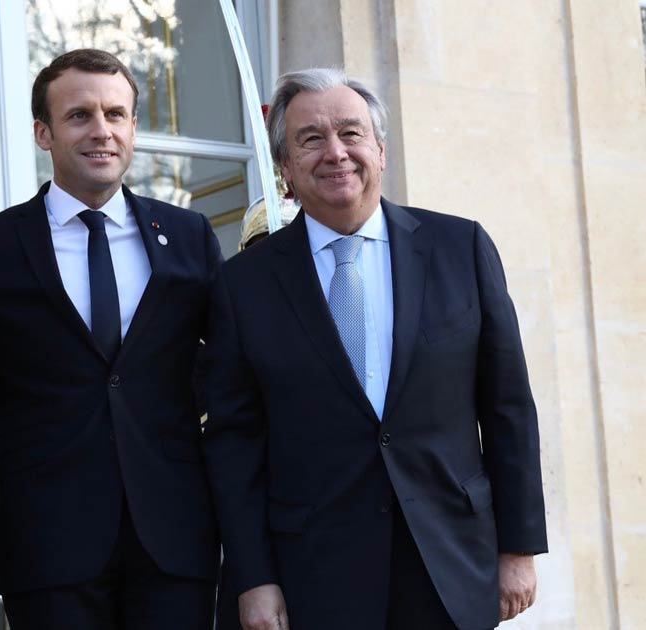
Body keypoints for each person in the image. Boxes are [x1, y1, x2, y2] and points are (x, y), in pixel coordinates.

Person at [203, 68, 547, 630]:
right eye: (310, 139)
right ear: (285, 168)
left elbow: (508, 407)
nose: (335, 152)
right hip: (313, 574)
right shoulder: (243, 285)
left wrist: (520, 547)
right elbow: (235, 445)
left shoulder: (461, 248)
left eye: (351, 133)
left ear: (380, 150)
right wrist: (253, 578)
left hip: (450, 563)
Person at [0, 48, 222, 630]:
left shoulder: (188, 235)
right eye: (79, 116)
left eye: (116, 115)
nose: (102, 131)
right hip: (49, 545)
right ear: (42, 133)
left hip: (175, 539)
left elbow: (229, 374)